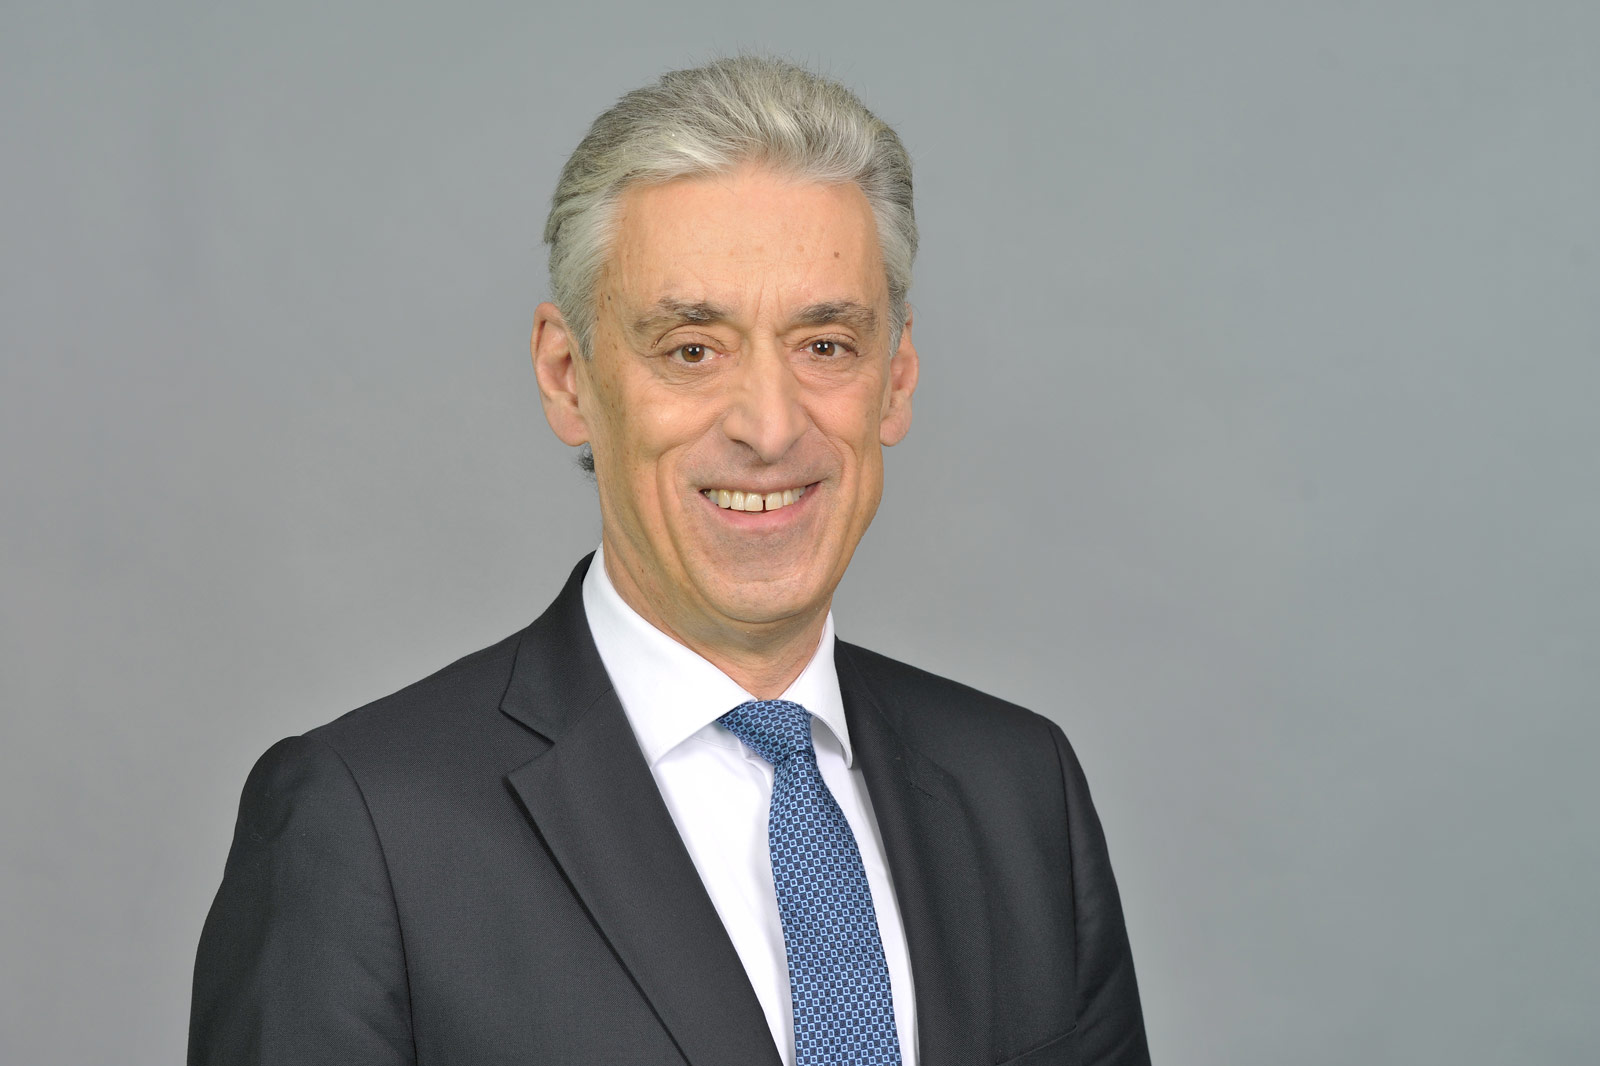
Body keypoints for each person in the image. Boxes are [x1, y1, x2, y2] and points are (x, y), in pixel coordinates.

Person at [189, 55, 1150, 1066]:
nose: (769, 428)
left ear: (895, 381)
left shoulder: (1017, 789)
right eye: (693, 348)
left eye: (825, 345)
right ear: (569, 377)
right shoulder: (366, 823)